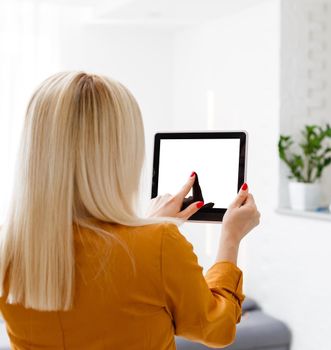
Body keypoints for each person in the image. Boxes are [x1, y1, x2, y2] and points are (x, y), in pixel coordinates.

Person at [0, 72, 260, 349]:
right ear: (121, 153)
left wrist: (148, 227)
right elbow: (216, 329)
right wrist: (230, 237)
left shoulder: (9, 246)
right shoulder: (159, 244)